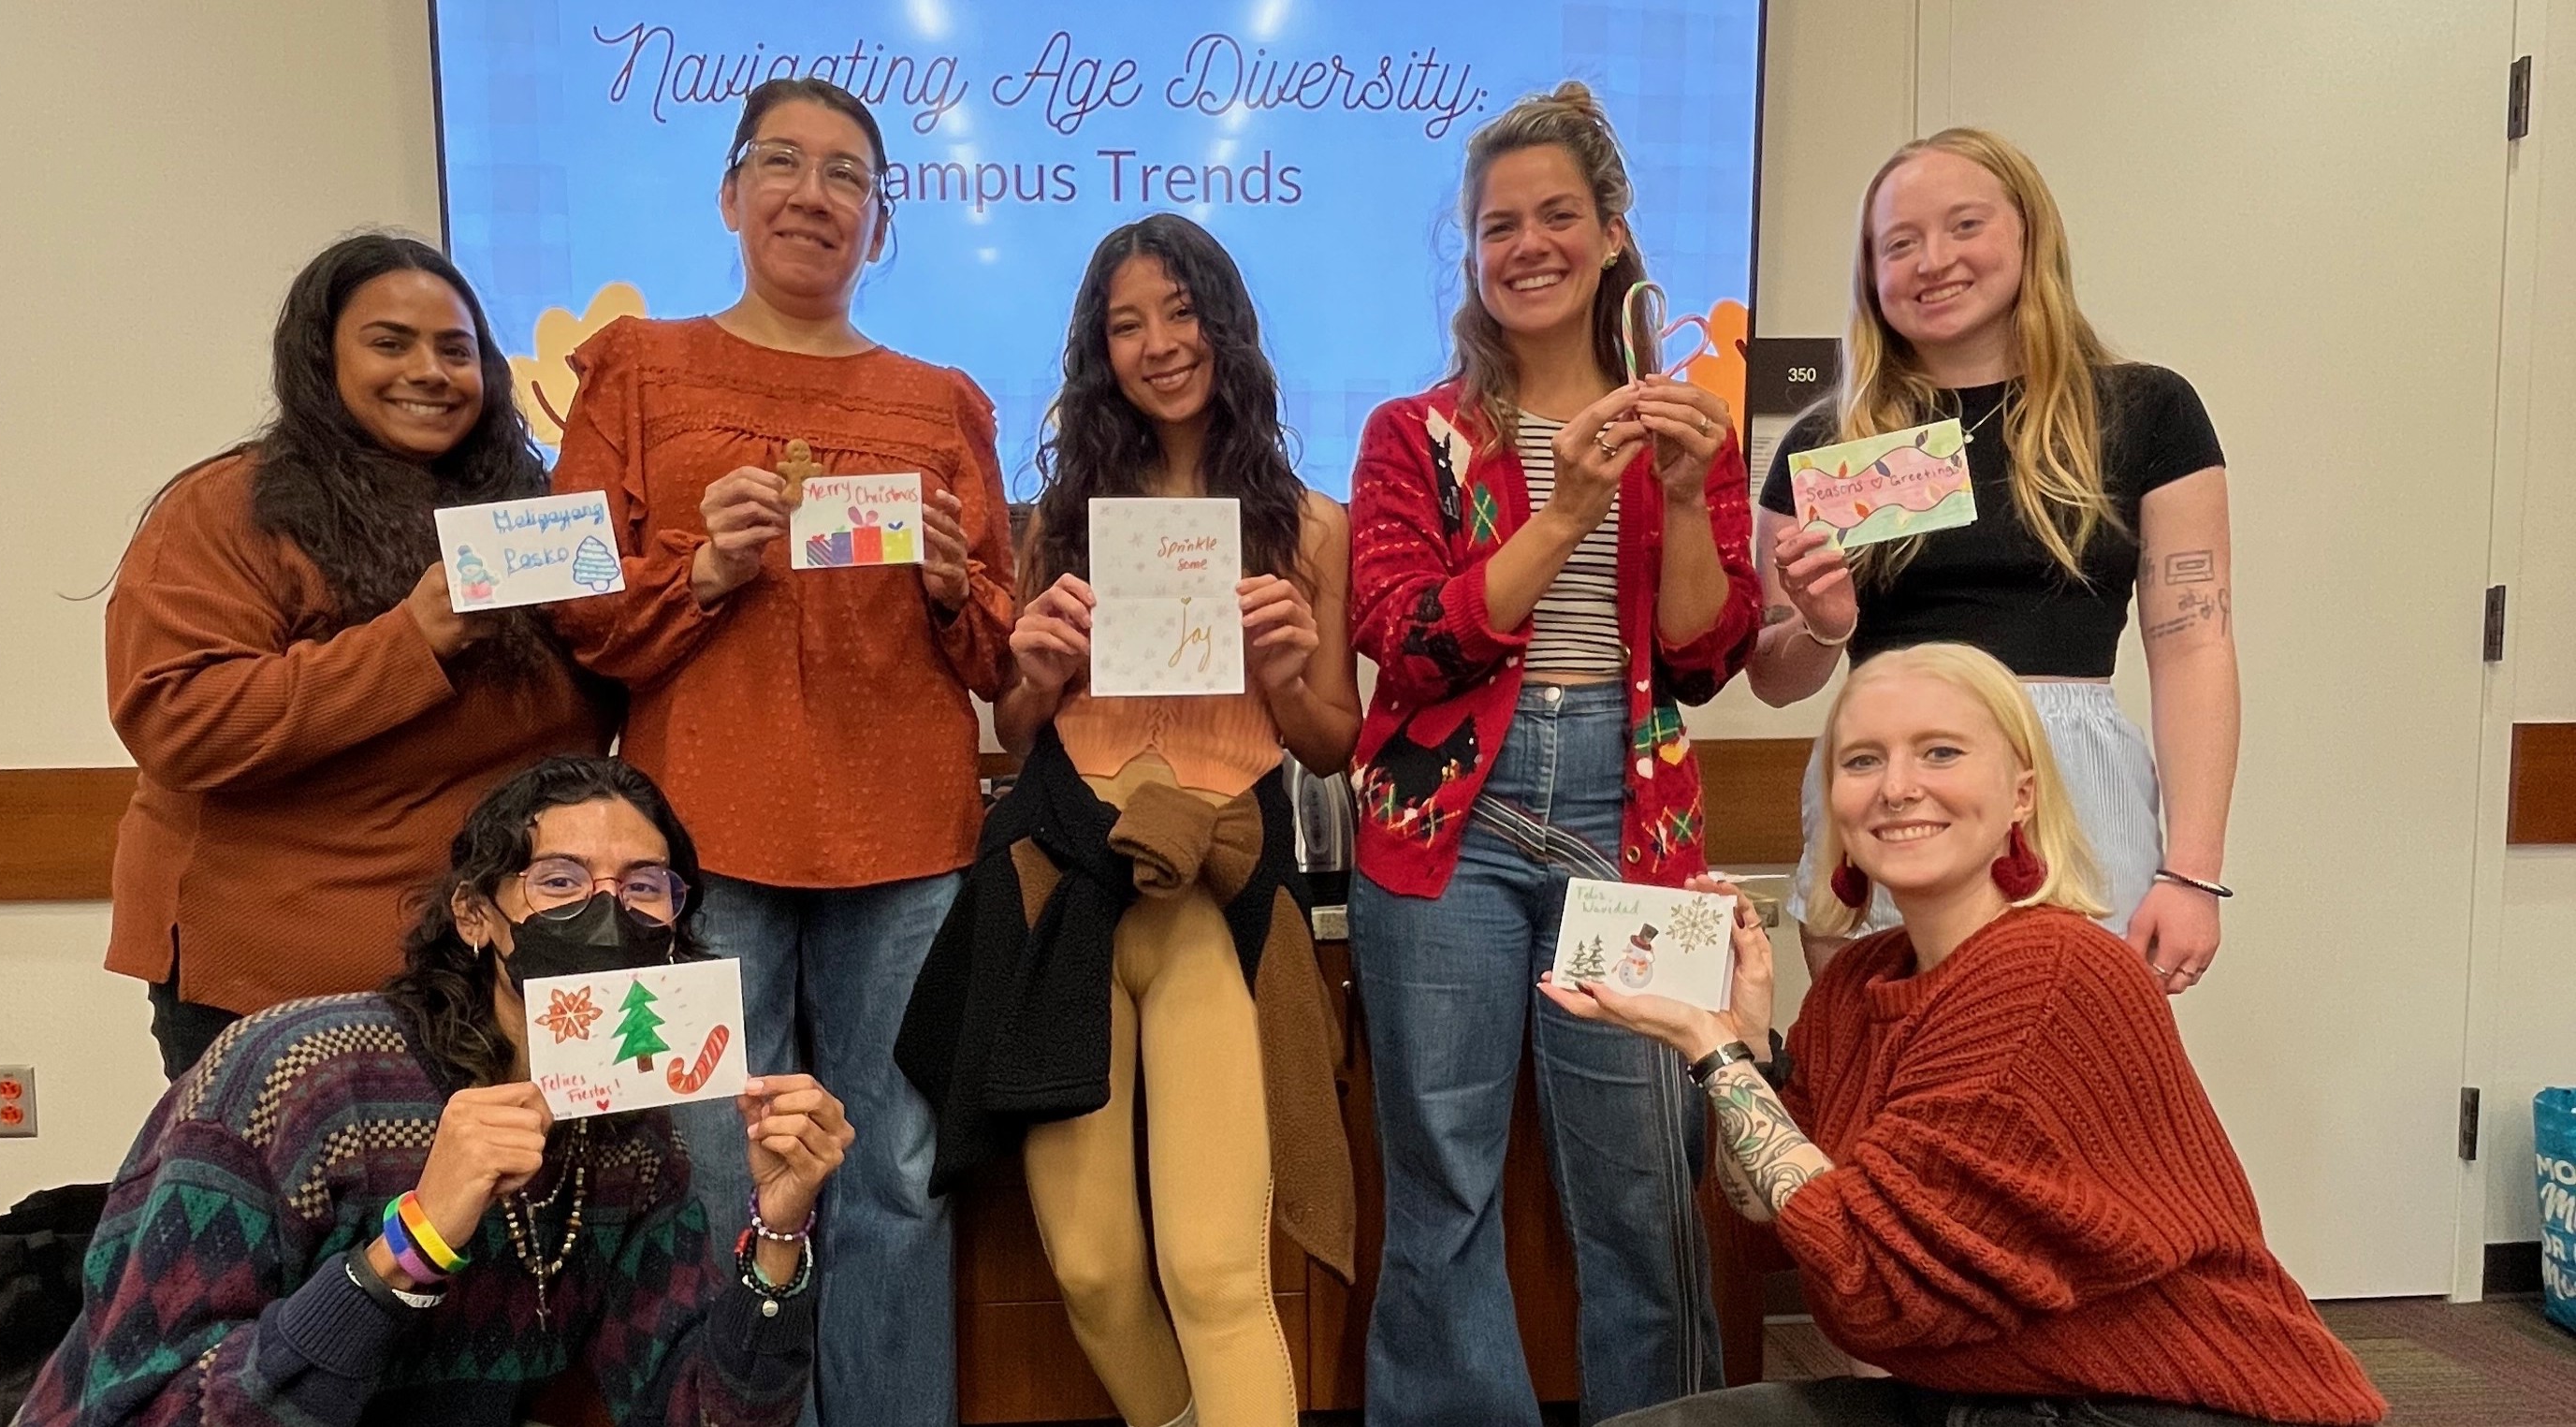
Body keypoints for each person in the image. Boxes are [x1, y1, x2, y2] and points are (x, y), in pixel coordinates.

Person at [1548, 645, 2386, 1427]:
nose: (1897, 786)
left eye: (1940, 752)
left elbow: (1869, 1278)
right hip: (1998, 1388)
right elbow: (1769, 1215)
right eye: (1861, 760)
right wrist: (1748, 1046)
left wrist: (1717, 1054)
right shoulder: (1858, 981)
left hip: (2162, 1402)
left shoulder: (2047, 973)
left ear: (2022, 793)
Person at [547, 76, 1015, 1426]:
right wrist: (701, 569)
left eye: (847, 175)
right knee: (705, 1176)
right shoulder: (639, 370)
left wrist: (952, 590)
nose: (813, 195)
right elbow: (574, 608)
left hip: (906, 842)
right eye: (782, 164)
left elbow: (998, 655)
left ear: (882, 221)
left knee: (896, 1176)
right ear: (729, 194)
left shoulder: (942, 402)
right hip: (694, 843)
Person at [1344, 81, 1764, 1423]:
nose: (1528, 245)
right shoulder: (1413, 433)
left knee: (1647, 1186)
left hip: (1630, 812)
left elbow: (1701, 657)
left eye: (1558, 216)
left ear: (1614, 231)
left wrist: (1683, 498)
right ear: (1470, 254)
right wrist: (1566, 507)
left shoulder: (1688, 432)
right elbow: (1407, 642)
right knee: (1444, 1187)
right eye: (1498, 225)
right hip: (1442, 825)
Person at [20, 753, 855, 1427]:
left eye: (643, 887)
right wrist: (413, 1241)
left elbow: (702, 1411)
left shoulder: (630, 1138)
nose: (608, 913)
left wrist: (778, 1231)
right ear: (476, 916)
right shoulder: (302, 1077)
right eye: (559, 881)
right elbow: (155, 1410)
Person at [897, 214, 1361, 1427]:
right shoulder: (1062, 522)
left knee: (1215, 1271)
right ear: (1098, 353)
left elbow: (1330, 740)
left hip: (1213, 895)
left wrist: (1286, 669)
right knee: (1096, 1272)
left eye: (1182, 311)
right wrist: (1036, 670)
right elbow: (1018, 728)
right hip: (1065, 888)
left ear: (1227, 323)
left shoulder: (1310, 525)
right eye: (1126, 324)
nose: (1159, 343)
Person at [105, 233, 615, 1079]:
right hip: (279, 986)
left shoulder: (535, 513)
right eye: (390, 343)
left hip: (499, 977)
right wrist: (412, 639)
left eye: (456, 350)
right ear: (321, 359)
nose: (430, 371)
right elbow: (181, 723)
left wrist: (701, 576)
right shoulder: (228, 507)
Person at [1748, 128, 2237, 996]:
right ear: (1871, 271)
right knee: (1882, 1057)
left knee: (2080, 1053)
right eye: (1900, 242)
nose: (1934, 260)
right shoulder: (1831, 442)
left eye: (1965, 225)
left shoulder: (2144, 410)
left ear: (2029, 232)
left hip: (2074, 779)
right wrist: (1825, 627)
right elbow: (1775, 678)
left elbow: (2194, 645)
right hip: (1887, 779)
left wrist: (2192, 871)